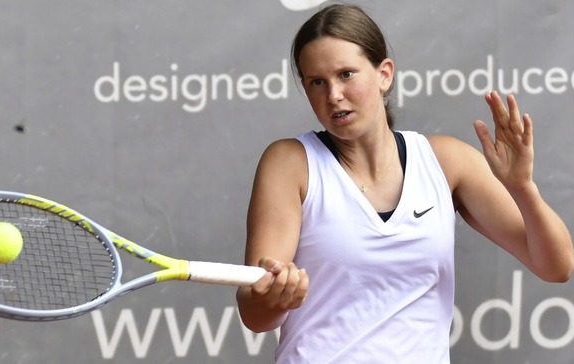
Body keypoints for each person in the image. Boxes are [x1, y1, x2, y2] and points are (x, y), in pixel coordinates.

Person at [235, 3, 574, 363]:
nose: (333, 95)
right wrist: (271, 297)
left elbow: (557, 267)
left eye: (346, 74)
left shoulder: (447, 162)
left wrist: (522, 189)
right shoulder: (289, 163)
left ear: (384, 74)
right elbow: (255, 315)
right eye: (317, 82)